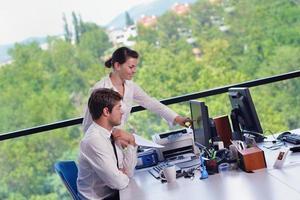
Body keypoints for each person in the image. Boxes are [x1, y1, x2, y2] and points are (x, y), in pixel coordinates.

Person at [82, 46, 191, 144]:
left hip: (119, 142)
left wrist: (177, 118)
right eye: (131, 67)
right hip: (103, 144)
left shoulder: (130, 86)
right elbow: (89, 125)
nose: (134, 71)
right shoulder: (99, 89)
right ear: (117, 65)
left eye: (135, 67)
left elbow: (151, 103)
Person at [77, 88, 137, 200]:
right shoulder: (93, 140)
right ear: (106, 111)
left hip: (115, 194)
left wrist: (131, 142)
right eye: (119, 108)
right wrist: (120, 174)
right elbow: (119, 182)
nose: (122, 111)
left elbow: (128, 172)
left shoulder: (110, 134)